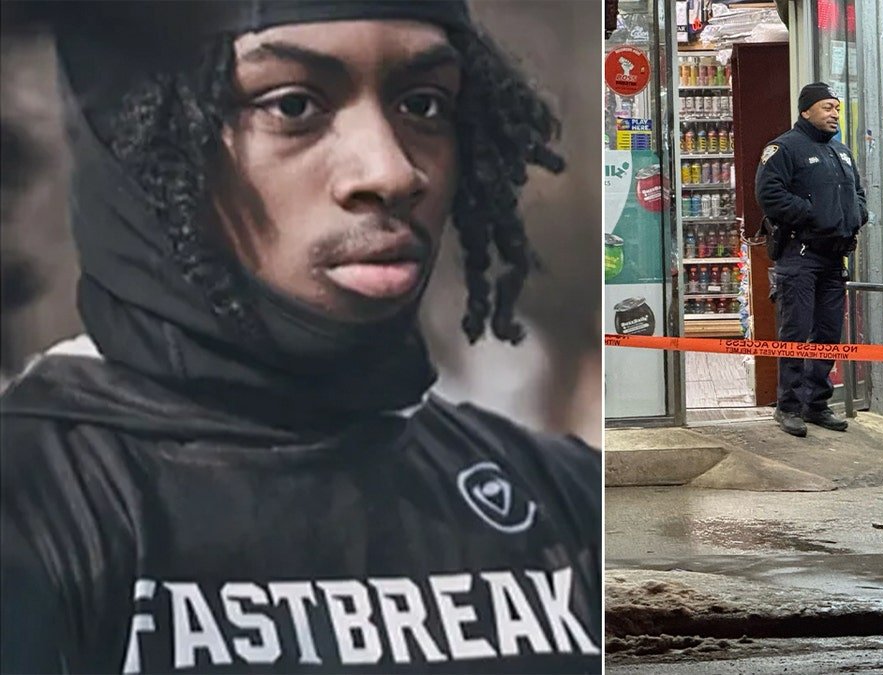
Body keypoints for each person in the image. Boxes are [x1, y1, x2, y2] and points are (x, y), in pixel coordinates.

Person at [0, 2, 601, 673]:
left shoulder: (573, 507)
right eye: (292, 107)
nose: (391, 172)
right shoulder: (35, 508)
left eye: (423, 105)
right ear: (138, 130)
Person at [755, 82, 868, 438]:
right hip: (800, 257)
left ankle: (816, 404)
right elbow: (769, 194)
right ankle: (788, 406)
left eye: (837, 108)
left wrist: (857, 214)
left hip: (834, 259)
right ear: (806, 111)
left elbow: (858, 193)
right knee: (795, 332)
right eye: (827, 107)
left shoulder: (841, 152)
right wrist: (812, 214)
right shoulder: (785, 148)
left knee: (827, 334)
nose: (835, 114)